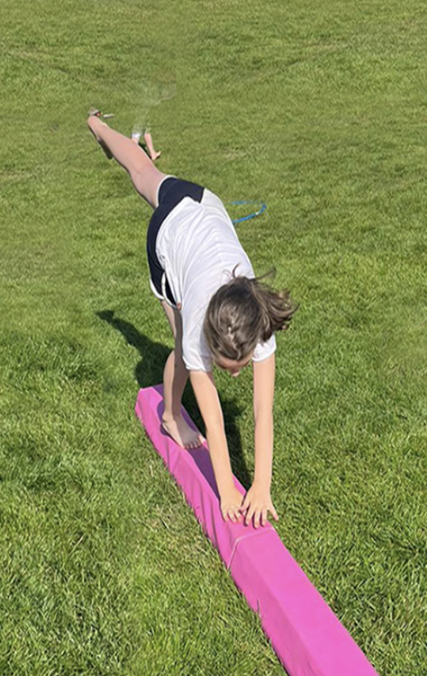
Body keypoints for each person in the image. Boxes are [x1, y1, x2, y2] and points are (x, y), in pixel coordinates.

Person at [87, 111, 296, 527]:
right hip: (169, 237)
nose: (235, 376)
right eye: (226, 367)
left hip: (202, 203)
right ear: (213, 340)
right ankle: (169, 416)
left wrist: (262, 485)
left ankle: (97, 126)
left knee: (146, 170)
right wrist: (226, 488)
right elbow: (215, 418)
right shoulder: (201, 326)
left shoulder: (258, 323)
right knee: (183, 350)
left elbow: (262, 411)